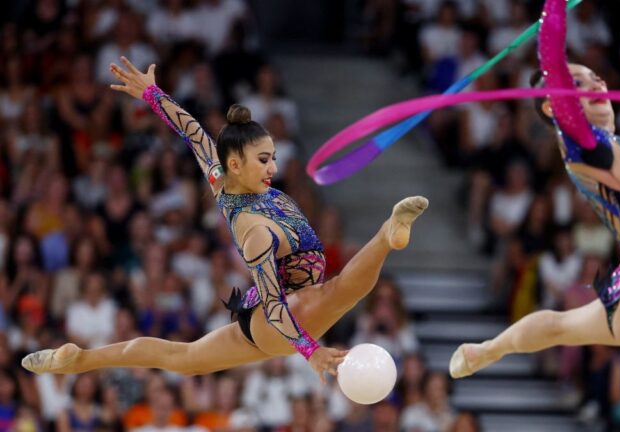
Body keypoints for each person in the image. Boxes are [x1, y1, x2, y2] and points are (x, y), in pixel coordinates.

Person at [21, 57, 429, 382]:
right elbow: (273, 306)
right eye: (264, 159)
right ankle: (385, 234)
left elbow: (194, 132)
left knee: (183, 358)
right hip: (280, 318)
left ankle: (79, 359)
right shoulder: (254, 229)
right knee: (339, 291)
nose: (274, 165)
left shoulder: (221, 179)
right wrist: (311, 351)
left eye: (272, 156)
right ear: (236, 163)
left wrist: (151, 92)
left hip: (271, 314)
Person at [449, 0, 620, 379]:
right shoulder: (584, 147)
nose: (595, 83)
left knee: (562, 326)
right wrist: (555, 8)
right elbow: (554, 67)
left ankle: (488, 349)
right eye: (577, 83)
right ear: (553, 105)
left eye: (596, 76)